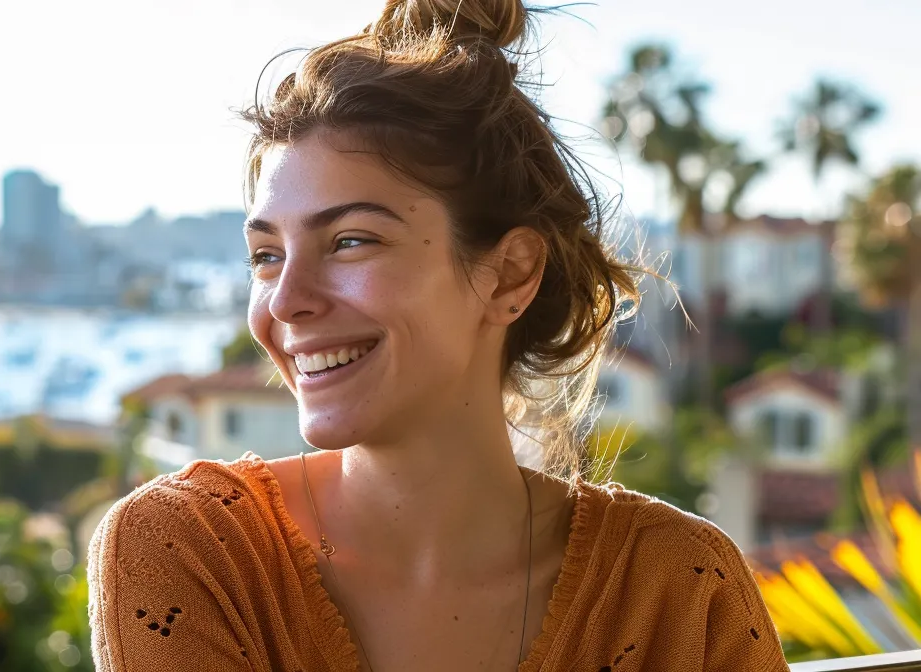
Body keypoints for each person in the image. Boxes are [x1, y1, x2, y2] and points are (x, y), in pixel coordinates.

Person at [85, 1, 788, 670]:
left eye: (351, 241)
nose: (287, 302)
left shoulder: (681, 588)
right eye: (266, 256)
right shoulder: (189, 550)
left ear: (510, 275)